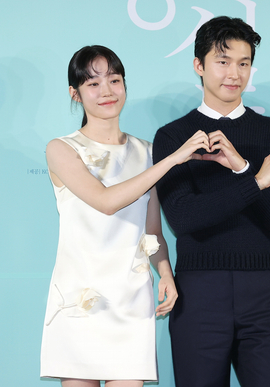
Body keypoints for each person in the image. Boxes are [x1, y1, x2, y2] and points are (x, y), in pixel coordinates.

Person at [40, 45, 211, 387]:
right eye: (93, 84)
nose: (107, 91)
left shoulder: (146, 151)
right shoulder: (61, 149)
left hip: (131, 297)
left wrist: (164, 272)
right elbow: (105, 201)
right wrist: (172, 159)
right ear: (75, 94)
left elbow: (152, 232)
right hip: (79, 298)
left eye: (114, 80)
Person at [152, 16, 270, 387]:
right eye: (222, 61)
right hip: (199, 293)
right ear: (198, 66)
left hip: (266, 294)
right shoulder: (173, 137)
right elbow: (184, 218)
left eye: (244, 62)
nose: (234, 73)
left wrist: (241, 167)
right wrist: (255, 180)